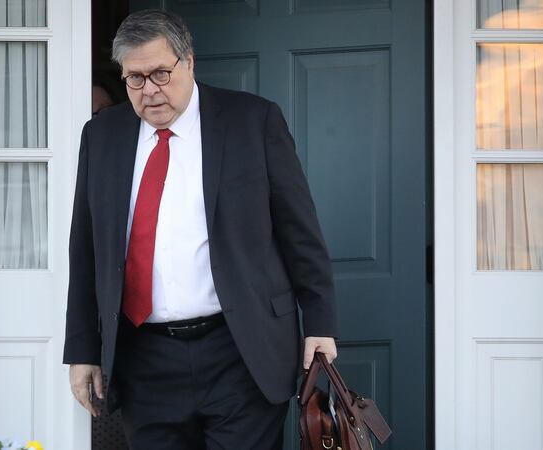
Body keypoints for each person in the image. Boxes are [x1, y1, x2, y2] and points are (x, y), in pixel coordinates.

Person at [64, 9, 338, 449]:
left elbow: (300, 233)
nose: (149, 90)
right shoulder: (102, 136)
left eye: (161, 73)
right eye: (135, 78)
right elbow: (85, 250)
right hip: (144, 360)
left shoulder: (253, 121)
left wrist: (320, 323)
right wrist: (82, 350)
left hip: (241, 352)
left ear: (189, 62)